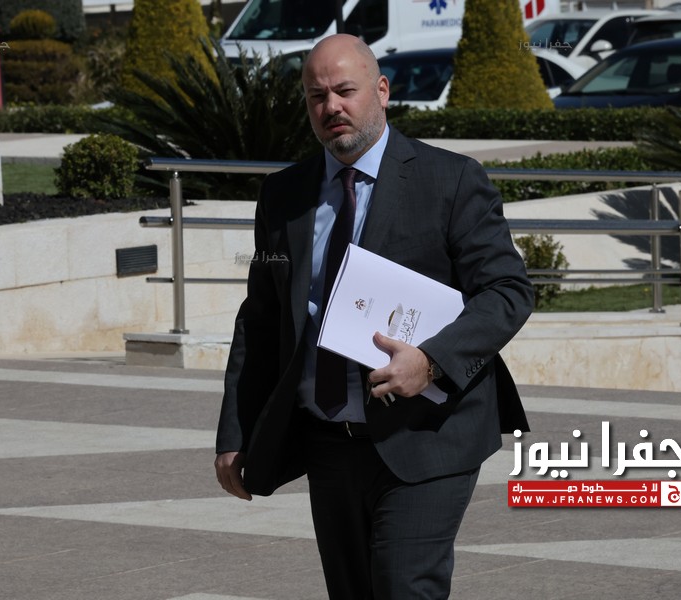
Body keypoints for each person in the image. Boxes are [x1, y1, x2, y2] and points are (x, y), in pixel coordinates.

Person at [214, 33, 535, 599]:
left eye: (345, 91)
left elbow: (507, 291)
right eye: (317, 96)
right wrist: (236, 434)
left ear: (381, 91)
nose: (331, 107)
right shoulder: (283, 196)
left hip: (427, 434)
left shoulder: (450, 180)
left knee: (403, 587)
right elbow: (260, 321)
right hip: (328, 442)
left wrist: (431, 361)